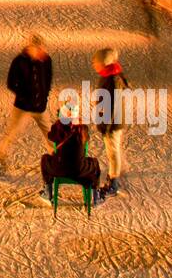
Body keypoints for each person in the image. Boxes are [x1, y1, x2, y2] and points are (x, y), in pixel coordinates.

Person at [0, 33, 54, 176]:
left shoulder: (46, 60)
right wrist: (25, 97)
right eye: (39, 49)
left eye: (43, 49)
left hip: (40, 107)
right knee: (11, 134)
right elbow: (11, 83)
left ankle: (57, 161)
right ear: (31, 48)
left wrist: (44, 96)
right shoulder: (19, 61)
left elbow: (48, 80)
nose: (42, 52)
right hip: (23, 108)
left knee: (51, 135)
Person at [37, 97, 106, 206]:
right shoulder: (82, 128)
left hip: (58, 168)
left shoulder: (58, 126)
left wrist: (59, 123)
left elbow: (51, 136)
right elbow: (86, 140)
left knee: (45, 159)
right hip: (80, 170)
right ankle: (96, 196)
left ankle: (47, 191)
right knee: (95, 163)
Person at [92, 47, 129, 196]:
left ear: (103, 63)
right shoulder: (109, 76)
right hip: (111, 121)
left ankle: (114, 183)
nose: (94, 64)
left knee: (113, 153)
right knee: (113, 151)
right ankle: (114, 174)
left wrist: (106, 125)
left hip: (112, 123)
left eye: (96, 62)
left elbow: (113, 105)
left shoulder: (112, 79)